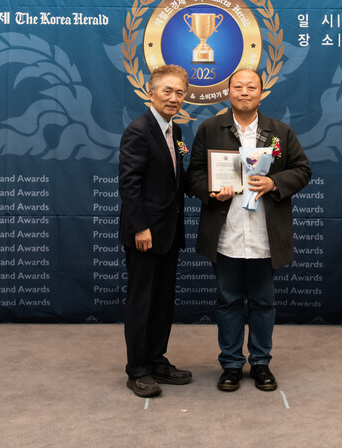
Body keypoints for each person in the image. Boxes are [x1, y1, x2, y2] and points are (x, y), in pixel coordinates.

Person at [188, 69, 310, 392]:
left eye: (251, 87)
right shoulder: (210, 128)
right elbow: (194, 175)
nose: (244, 92)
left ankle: (260, 363)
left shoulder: (280, 132)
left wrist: (274, 182)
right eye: (238, 87)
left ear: (261, 93)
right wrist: (211, 191)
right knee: (228, 301)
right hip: (226, 233)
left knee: (263, 302)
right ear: (228, 92)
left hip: (264, 235)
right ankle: (230, 364)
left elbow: (302, 170)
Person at [117, 65, 193, 398]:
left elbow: (176, 181)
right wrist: (141, 228)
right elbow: (129, 184)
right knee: (142, 303)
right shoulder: (139, 130)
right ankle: (137, 370)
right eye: (167, 91)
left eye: (180, 93)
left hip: (169, 233)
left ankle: (157, 360)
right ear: (151, 93)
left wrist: (211, 185)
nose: (174, 98)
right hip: (145, 235)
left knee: (162, 303)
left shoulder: (175, 132)